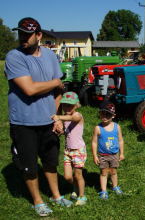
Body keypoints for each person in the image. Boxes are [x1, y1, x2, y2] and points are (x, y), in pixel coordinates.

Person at [5, 17, 72, 216]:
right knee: (30, 166)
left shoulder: (51, 56)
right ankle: (37, 201)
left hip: (48, 121)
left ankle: (56, 196)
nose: (23, 38)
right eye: (20, 34)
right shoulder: (14, 57)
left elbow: (59, 93)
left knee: (51, 162)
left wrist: (57, 117)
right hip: (24, 122)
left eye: (28, 34)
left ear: (39, 35)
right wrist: (55, 82)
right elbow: (30, 89)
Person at [51, 92, 87, 206]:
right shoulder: (66, 119)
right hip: (68, 151)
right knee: (67, 176)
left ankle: (82, 196)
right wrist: (61, 132)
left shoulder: (78, 115)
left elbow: (72, 117)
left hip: (78, 151)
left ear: (76, 105)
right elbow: (67, 130)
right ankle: (75, 187)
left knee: (78, 175)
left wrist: (58, 117)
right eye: (65, 105)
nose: (67, 108)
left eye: (70, 105)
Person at [91, 101, 125, 199]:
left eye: (108, 114)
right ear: (99, 113)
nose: (104, 116)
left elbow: (120, 140)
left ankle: (115, 186)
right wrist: (94, 155)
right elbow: (94, 142)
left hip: (114, 154)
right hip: (102, 155)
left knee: (113, 171)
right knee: (104, 173)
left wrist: (121, 153)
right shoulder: (98, 128)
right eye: (102, 113)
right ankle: (104, 191)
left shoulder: (117, 127)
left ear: (113, 115)